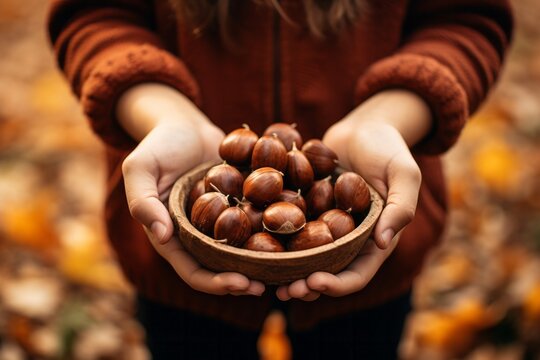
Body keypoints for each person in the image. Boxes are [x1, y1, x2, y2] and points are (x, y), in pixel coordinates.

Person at [47, 0, 512, 358]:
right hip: (176, 266)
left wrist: (393, 115)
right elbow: (93, 14)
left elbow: (469, 17)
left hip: (370, 264)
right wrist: (159, 112)